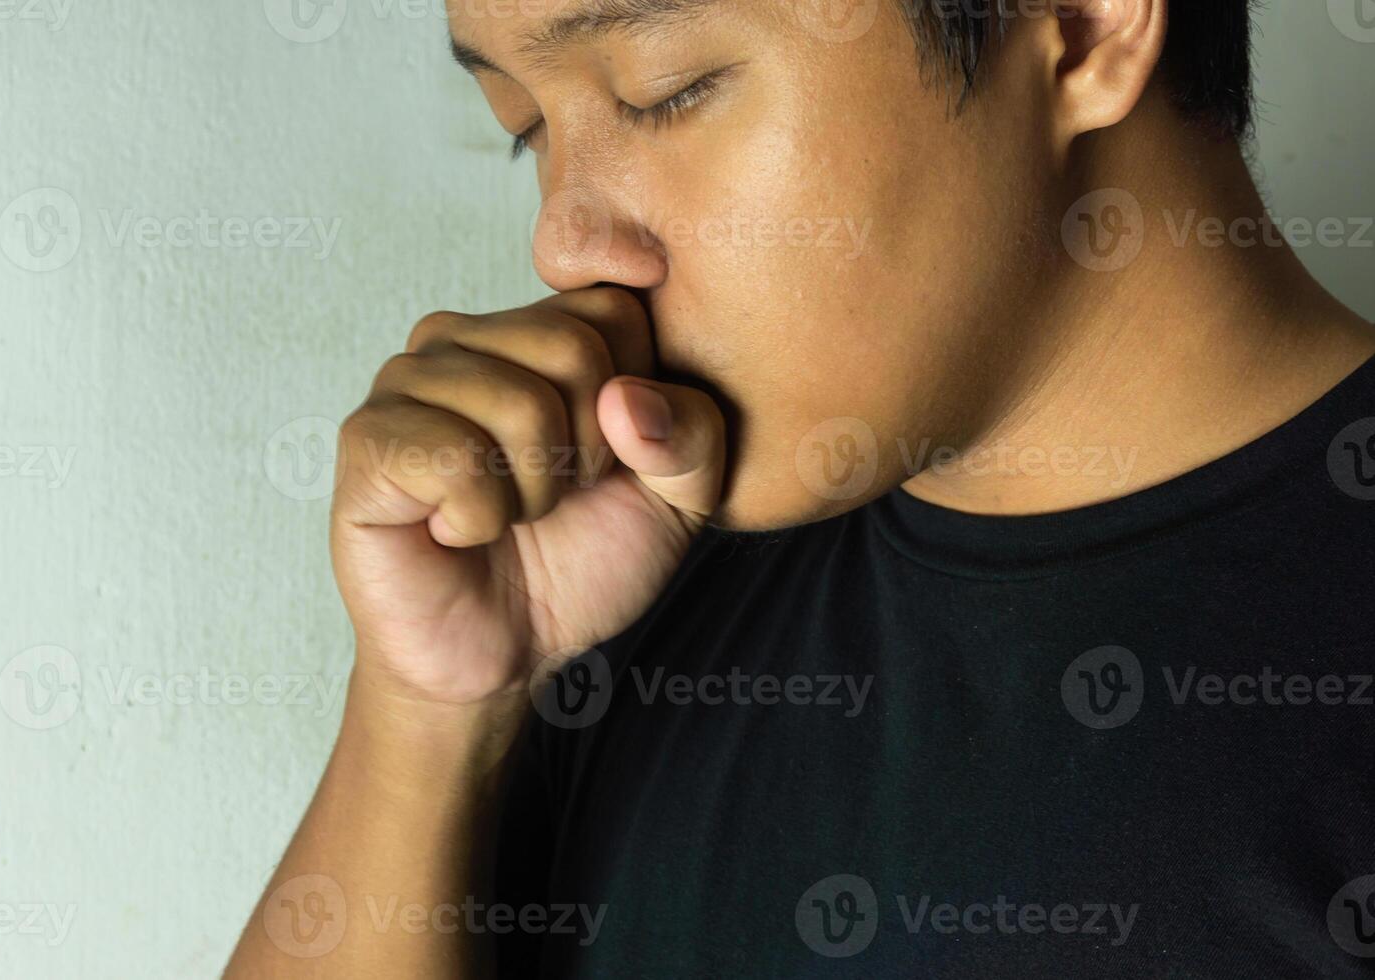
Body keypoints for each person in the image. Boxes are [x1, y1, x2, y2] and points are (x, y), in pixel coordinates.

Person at [227, 0, 1375, 975]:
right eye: (526, 129)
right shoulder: (602, 597)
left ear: (1079, 26)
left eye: (664, 90)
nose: (564, 244)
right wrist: (429, 708)